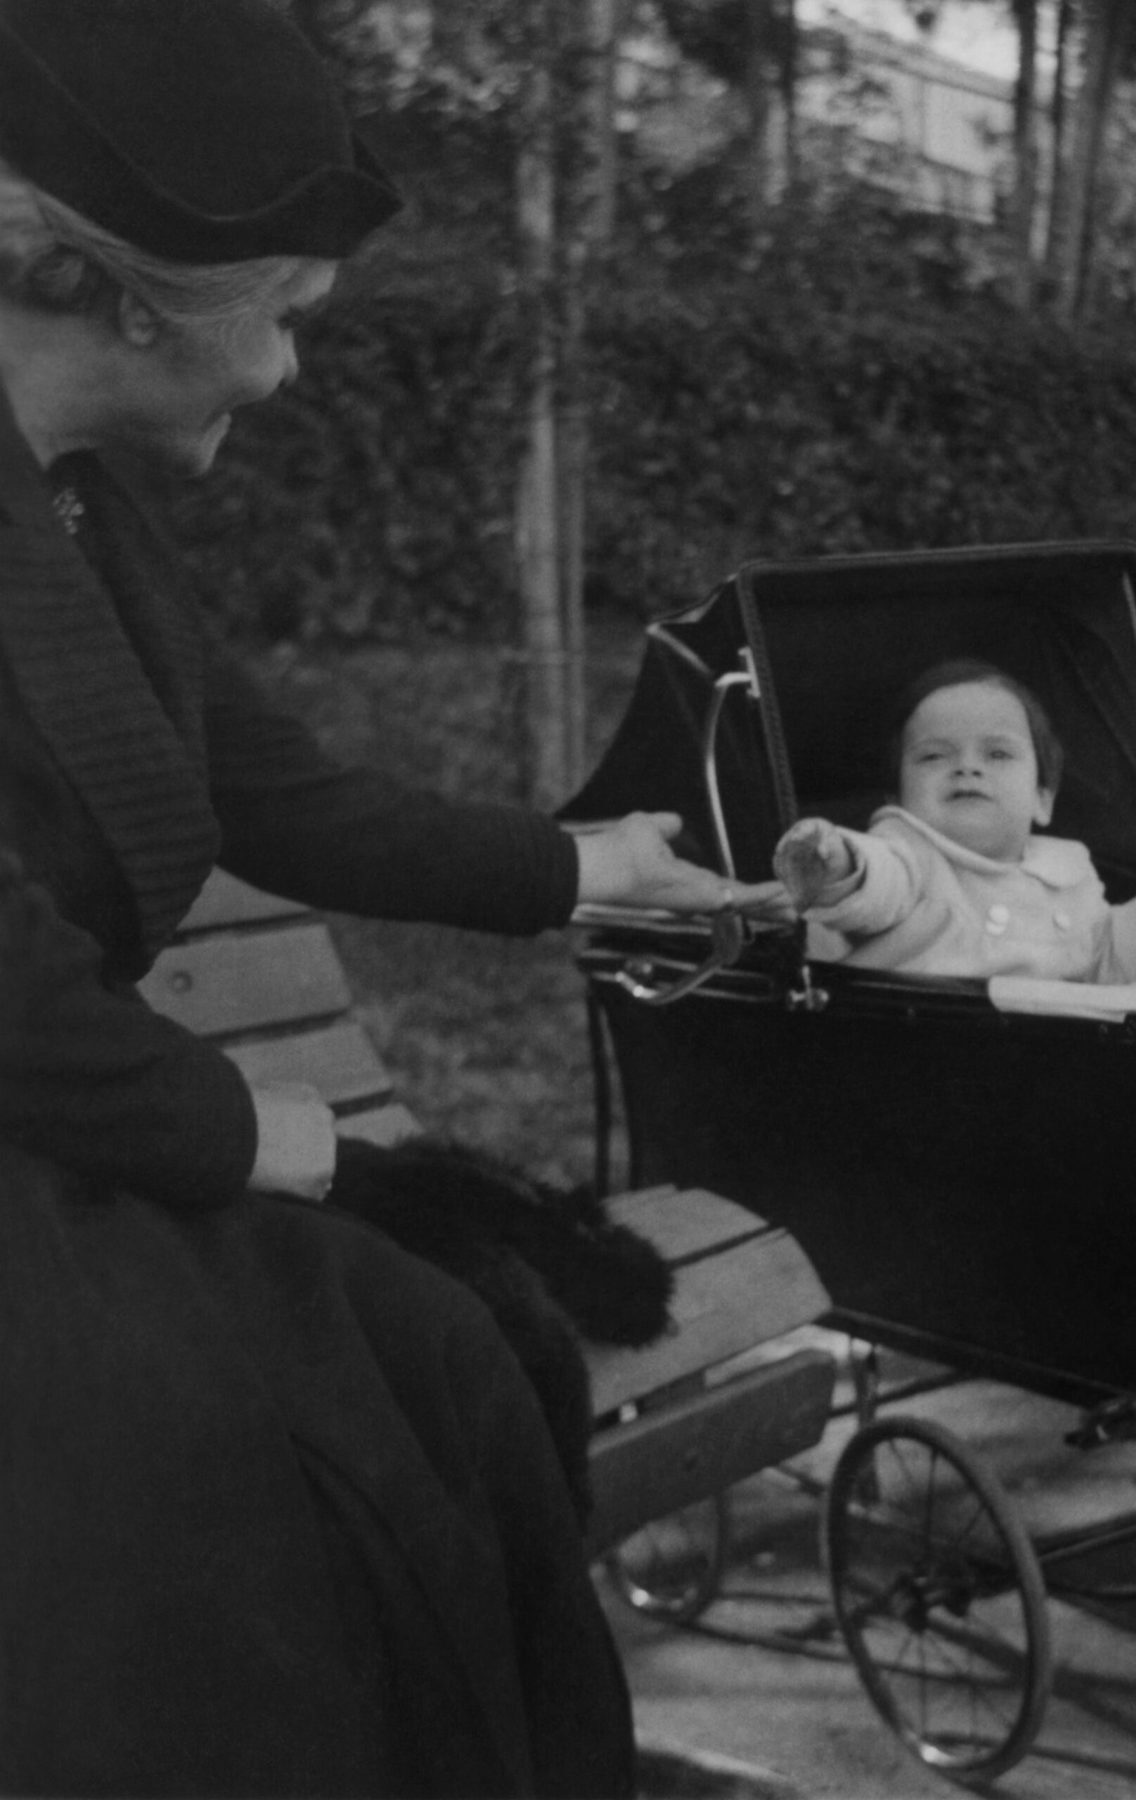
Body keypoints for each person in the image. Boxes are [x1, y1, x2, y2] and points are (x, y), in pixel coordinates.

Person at [0, 2, 778, 1794]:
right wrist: (277, 1142)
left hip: (80, 1143)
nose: (282, 376)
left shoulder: (80, 516)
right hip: (53, 1161)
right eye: (278, 316)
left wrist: (592, 869)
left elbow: (276, 791)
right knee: (212, 1478)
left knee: (440, 1347)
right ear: (124, 293)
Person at [774, 658, 1136, 981]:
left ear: (1042, 799)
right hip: (926, 1049)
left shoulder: (1068, 873)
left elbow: (1108, 963)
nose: (967, 767)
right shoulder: (908, 851)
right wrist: (841, 865)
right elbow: (880, 886)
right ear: (900, 798)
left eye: (997, 754)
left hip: (1056, 1059)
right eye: (933, 755)